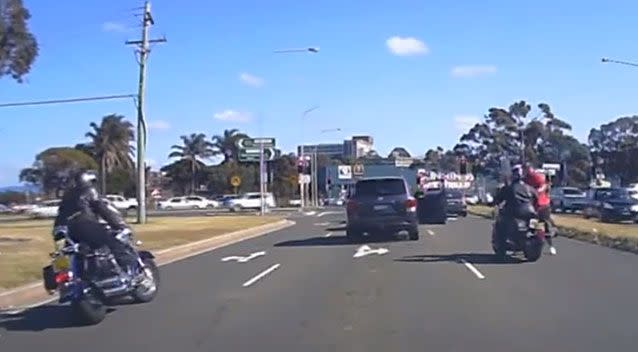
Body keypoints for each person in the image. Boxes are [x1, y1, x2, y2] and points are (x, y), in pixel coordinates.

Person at [53, 171, 141, 281]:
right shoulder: (89, 191)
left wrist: (57, 233)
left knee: (79, 253)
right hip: (85, 225)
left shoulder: (67, 196)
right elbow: (105, 210)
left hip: (68, 230)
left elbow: (60, 215)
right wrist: (120, 226)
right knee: (113, 242)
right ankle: (124, 268)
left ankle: (87, 276)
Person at [492, 165, 539, 249]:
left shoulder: (508, 188)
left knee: (501, 223)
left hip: (514, 212)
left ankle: (502, 242)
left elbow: (498, 199)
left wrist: (495, 203)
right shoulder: (529, 188)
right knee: (536, 224)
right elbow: (537, 198)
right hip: (530, 212)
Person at [523, 164, 557, 255]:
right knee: (529, 224)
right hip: (531, 207)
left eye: (526, 170)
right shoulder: (524, 179)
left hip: (542, 205)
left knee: (545, 225)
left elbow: (544, 185)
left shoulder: (537, 177)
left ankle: (551, 246)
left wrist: (537, 191)